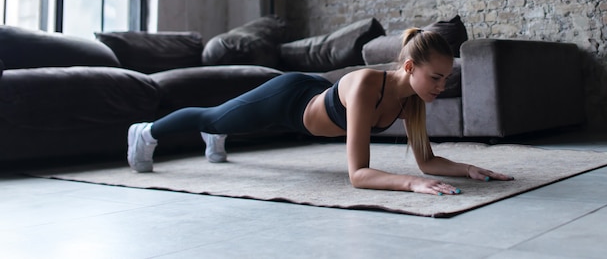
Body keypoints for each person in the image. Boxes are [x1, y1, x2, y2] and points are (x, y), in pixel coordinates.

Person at [127, 28, 513, 195]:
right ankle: (146, 132)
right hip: (289, 100)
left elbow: (427, 161)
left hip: (318, 91)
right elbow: (358, 174)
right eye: (436, 78)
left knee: (223, 122)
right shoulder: (367, 84)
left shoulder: (412, 100)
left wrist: (468, 169)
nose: (441, 87)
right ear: (410, 68)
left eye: (446, 79)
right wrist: (409, 184)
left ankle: (216, 134)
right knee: (213, 117)